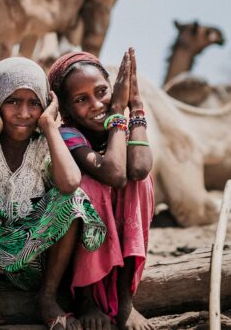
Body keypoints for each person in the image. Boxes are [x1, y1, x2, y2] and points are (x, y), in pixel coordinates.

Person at [0, 57, 106, 330]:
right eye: (12, 101)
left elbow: (70, 183)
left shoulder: (46, 144)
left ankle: (47, 298)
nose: (24, 113)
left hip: (38, 260)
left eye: (34, 103)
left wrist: (49, 125)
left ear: (45, 106)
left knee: (72, 200)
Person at [47, 48, 155, 330]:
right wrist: (118, 111)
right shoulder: (68, 134)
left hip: (117, 242)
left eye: (102, 92)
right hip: (72, 249)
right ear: (67, 110)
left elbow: (140, 169)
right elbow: (114, 175)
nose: (96, 104)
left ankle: (124, 298)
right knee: (90, 188)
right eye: (81, 99)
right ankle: (86, 298)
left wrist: (137, 104)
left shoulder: (120, 125)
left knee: (140, 184)